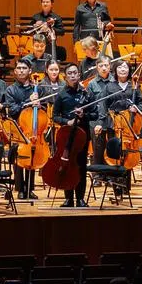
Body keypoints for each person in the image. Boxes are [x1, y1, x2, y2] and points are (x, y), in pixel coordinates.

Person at [52, 63, 92, 208]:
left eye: (75, 73)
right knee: (67, 166)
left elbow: (94, 114)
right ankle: (68, 198)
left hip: (82, 136)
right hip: (67, 137)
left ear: (79, 75)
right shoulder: (61, 95)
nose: (73, 75)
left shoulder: (86, 94)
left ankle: (81, 198)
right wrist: (66, 121)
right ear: (65, 76)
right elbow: (55, 116)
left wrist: (84, 114)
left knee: (81, 167)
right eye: (70, 73)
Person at [5, 58, 43, 200]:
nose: (21, 70)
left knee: (33, 157)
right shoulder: (11, 89)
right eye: (19, 68)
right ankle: (20, 188)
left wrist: (39, 105)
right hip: (18, 128)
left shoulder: (36, 88)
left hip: (33, 128)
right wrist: (28, 102)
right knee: (19, 159)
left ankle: (30, 189)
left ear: (30, 71)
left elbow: (44, 108)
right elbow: (12, 110)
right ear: (15, 71)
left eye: (24, 68)